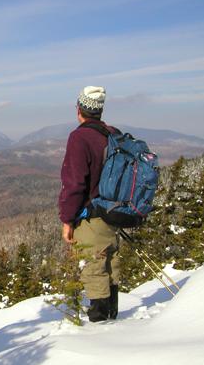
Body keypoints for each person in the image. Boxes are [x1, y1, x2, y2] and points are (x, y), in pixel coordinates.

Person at [58, 86, 119, 322]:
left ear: (79, 109)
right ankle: (113, 321)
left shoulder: (80, 137)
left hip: (92, 218)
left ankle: (101, 331)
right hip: (113, 216)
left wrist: (67, 220)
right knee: (110, 270)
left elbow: (74, 184)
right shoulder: (112, 134)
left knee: (95, 274)